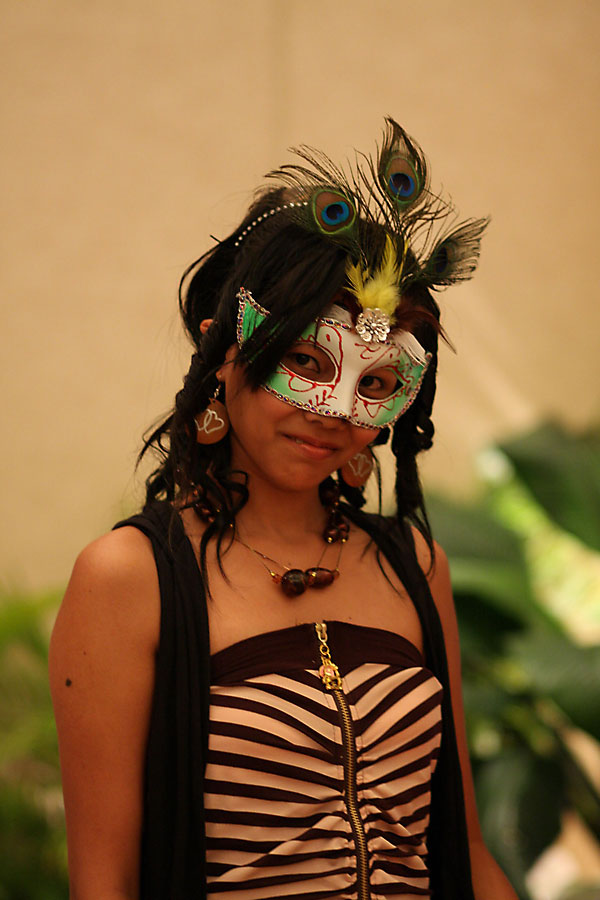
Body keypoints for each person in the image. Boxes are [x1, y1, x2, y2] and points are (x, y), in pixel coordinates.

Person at [49, 119, 517, 900]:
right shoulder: (130, 577)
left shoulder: (413, 565)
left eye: (375, 383)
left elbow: (463, 849)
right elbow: (107, 881)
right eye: (304, 359)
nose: (334, 410)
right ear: (221, 352)